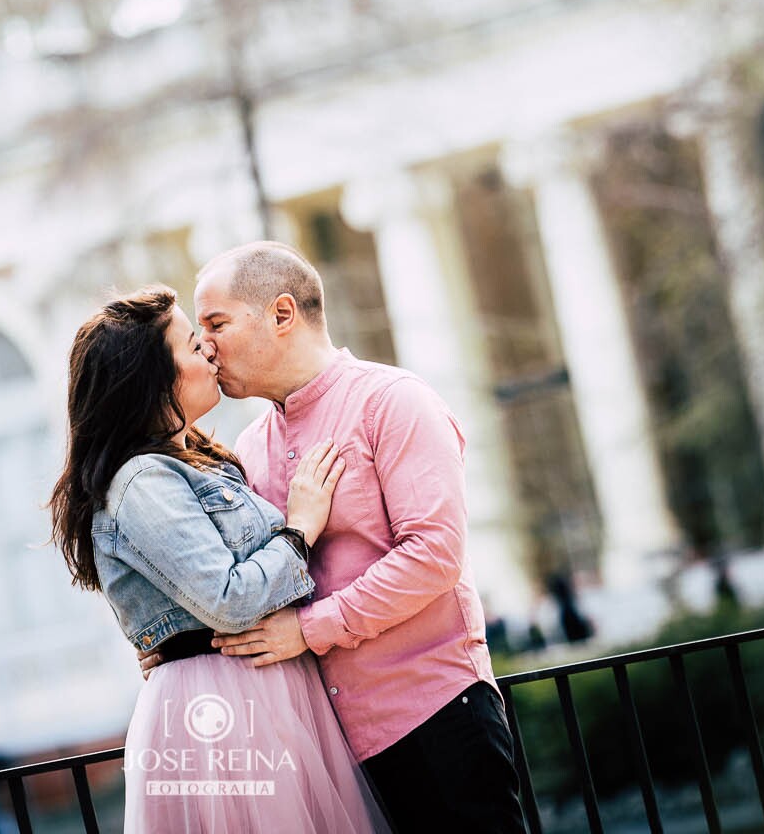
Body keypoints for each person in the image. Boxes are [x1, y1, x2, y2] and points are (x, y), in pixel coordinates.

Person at [195, 241, 528, 834]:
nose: (205, 346)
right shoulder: (248, 450)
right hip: (329, 756)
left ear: (281, 314)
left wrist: (309, 629)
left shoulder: (394, 402)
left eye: (217, 323)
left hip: (436, 719)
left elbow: (434, 555)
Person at [49, 285, 387, 831]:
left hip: (267, 686)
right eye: (191, 343)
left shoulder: (201, 461)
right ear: (154, 378)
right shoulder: (142, 481)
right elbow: (229, 600)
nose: (209, 350)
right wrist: (299, 529)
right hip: (225, 704)